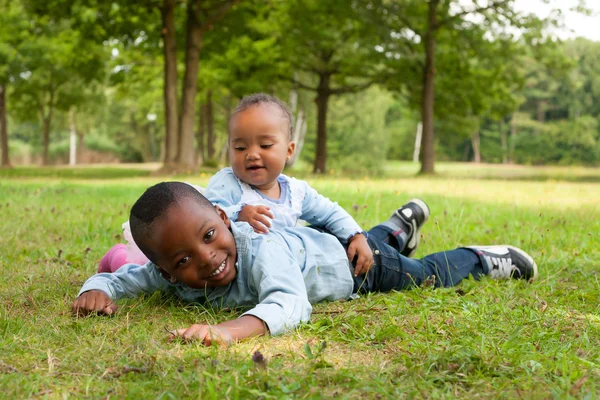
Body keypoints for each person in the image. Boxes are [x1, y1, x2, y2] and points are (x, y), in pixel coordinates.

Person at [73, 182, 538, 346]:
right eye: (183, 260)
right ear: (167, 271)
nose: (209, 258)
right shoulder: (162, 272)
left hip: (354, 272)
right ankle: (396, 229)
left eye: (211, 235)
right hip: (321, 248)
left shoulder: (259, 248)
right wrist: (95, 289)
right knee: (377, 242)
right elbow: (122, 277)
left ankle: (481, 258)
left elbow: (291, 302)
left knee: (423, 278)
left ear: (222, 216)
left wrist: (230, 330)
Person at [99, 93, 425, 275]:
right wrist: (239, 213)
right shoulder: (227, 183)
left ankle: (394, 231)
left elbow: (330, 212)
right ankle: (119, 258)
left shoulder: (295, 191)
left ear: (289, 151)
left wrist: (356, 234)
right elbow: (209, 216)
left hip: (288, 258)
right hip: (218, 264)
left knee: (341, 241)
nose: (252, 155)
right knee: (140, 268)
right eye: (240, 148)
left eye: (265, 146)